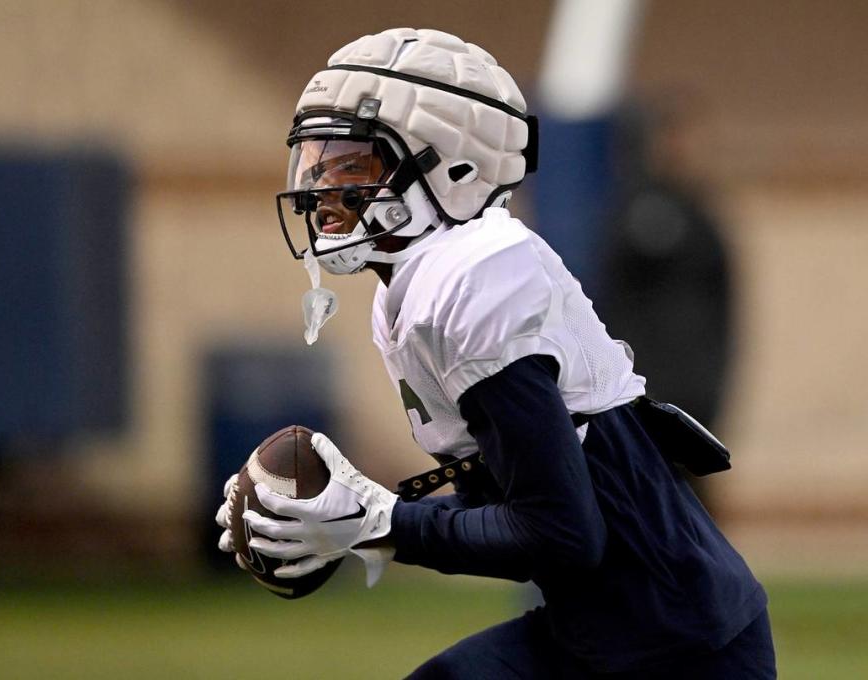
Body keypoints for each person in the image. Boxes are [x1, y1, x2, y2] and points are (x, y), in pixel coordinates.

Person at [215, 28, 775, 678]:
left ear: (451, 168)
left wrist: (379, 523)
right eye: (317, 163)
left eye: (353, 167)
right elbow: (522, 505)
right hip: (608, 633)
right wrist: (354, 513)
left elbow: (561, 535)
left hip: (676, 652)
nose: (321, 191)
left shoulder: (472, 281)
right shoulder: (416, 288)